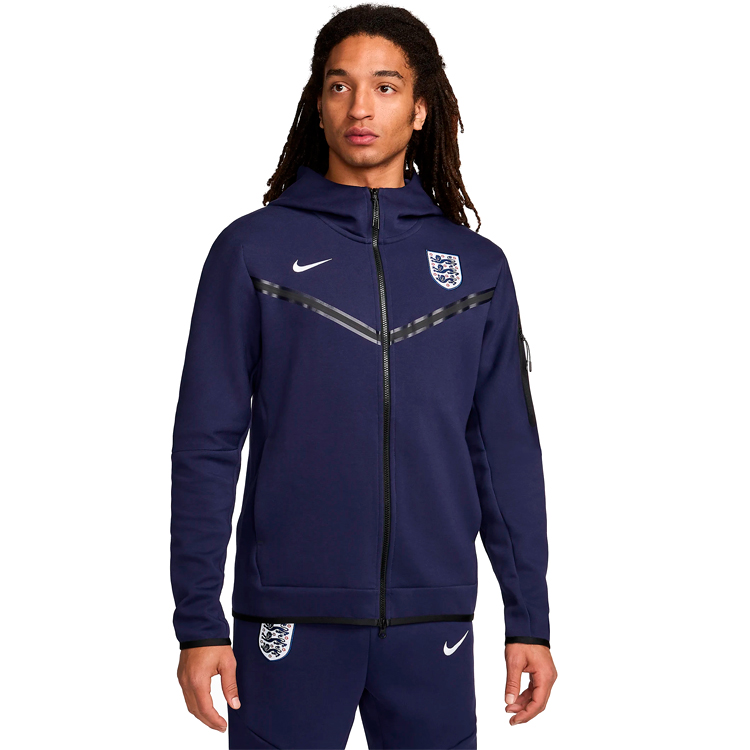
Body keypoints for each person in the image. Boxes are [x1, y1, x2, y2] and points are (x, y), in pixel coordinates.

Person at [170, 4, 557, 747]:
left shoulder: (477, 269)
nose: (360, 108)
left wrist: (529, 620)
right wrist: (199, 622)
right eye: (340, 85)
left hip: (432, 621)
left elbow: (504, 451)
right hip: (286, 618)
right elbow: (206, 444)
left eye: (385, 86)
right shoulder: (252, 251)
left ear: (420, 108)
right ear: (318, 103)